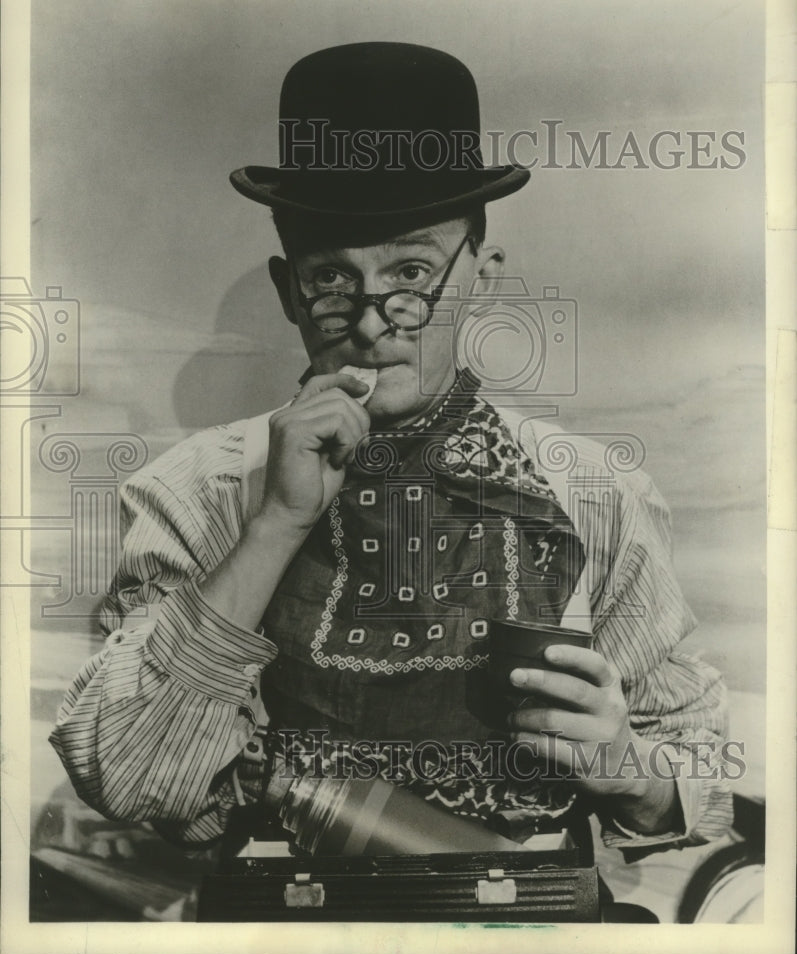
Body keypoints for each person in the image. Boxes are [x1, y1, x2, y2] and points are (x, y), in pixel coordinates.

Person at [50, 42, 732, 858]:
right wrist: (275, 524)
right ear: (285, 290)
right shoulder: (192, 493)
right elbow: (126, 779)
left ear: (482, 274)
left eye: (411, 271)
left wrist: (633, 770)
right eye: (332, 280)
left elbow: (703, 789)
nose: (373, 324)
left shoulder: (591, 493)